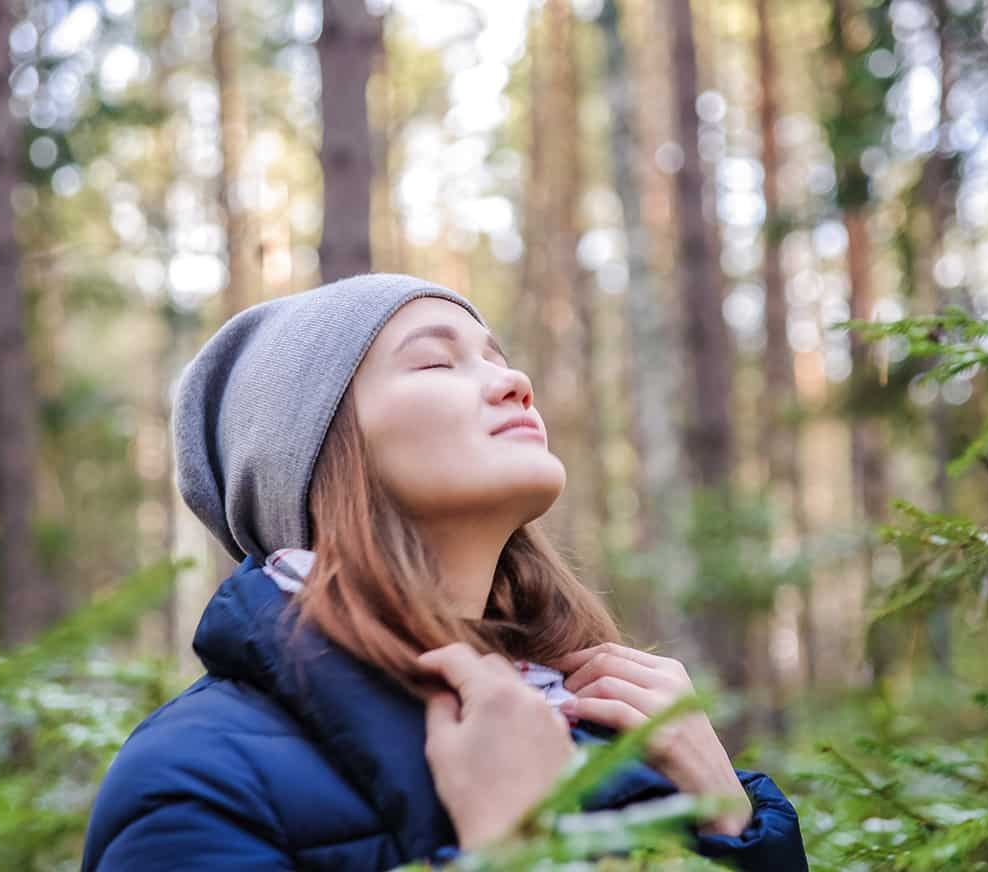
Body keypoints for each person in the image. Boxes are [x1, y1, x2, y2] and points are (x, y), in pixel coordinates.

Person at [80, 273, 808, 871]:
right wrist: (511, 846)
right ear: (309, 454)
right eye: (436, 361)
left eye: (497, 357)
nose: (513, 380)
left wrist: (731, 825)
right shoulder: (192, 783)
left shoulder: (597, 729)